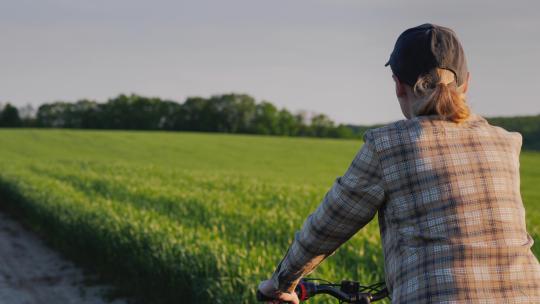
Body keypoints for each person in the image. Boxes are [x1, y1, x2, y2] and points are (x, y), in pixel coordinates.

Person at [258, 23, 540, 303]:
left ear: (398, 86)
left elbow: (328, 225)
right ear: (466, 83)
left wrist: (281, 283)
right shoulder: (505, 143)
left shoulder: (389, 145)